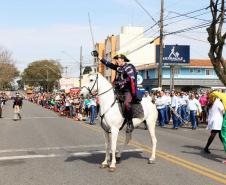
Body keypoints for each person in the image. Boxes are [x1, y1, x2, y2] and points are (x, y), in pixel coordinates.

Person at [97, 52, 138, 133]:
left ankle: (130, 123)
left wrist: (121, 82)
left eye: (118, 60)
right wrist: (99, 57)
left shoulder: (129, 67)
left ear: (122, 60)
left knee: (127, 103)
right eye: (116, 60)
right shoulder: (118, 67)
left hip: (127, 90)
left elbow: (131, 78)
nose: (116, 61)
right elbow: (109, 64)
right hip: (118, 90)